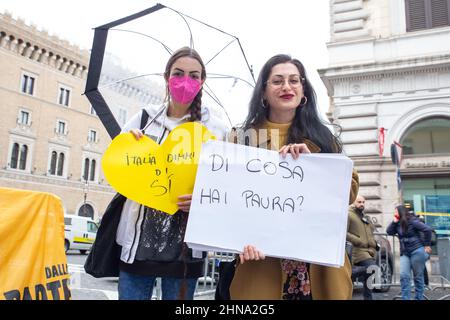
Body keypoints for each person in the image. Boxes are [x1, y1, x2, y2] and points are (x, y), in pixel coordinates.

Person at [227, 54, 359, 300]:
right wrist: (237, 240)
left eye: (294, 80)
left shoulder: (325, 137)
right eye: (277, 81)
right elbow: (228, 197)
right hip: (261, 264)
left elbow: (348, 193)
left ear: (303, 90)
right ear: (264, 92)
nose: (287, 87)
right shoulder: (240, 137)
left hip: (318, 267)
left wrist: (314, 166)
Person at [116, 47, 228, 300]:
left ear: (202, 82)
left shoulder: (216, 129)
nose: (185, 81)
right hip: (138, 244)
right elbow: (118, 170)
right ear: (166, 76)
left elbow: (224, 185)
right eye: (178, 73)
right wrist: (130, 147)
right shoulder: (142, 120)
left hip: (186, 251)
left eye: (194, 75)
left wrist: (202, 199)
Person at [386, 205, 433, 300]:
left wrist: (427, 245)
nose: (394, 213)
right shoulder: (397, 223)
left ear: (401, 211)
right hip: (405, 253)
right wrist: (394, 222)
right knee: (404, 276)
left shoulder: (412, 221)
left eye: (395, 211)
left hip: (417, 250)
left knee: (418, 277)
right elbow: (389, 232)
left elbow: (427, 230)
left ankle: (418, 298)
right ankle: (405, 298)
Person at [346, 195, 378, 300]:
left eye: (363, 202)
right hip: (355, 251)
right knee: (372, 269)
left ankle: (368, 298)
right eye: (359, 202)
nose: (361, 204)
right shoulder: (349, 215)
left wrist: (373, 246)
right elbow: (344, 232)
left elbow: (371, 234)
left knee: (370, 272)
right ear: (354, 202)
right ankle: (349, 275)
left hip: (368, 252)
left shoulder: (365, 217)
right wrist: (357, 240)